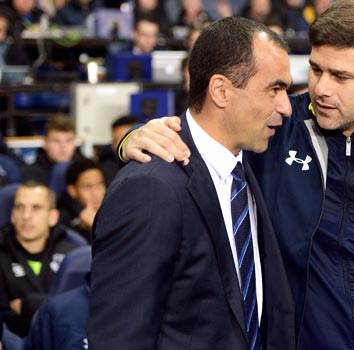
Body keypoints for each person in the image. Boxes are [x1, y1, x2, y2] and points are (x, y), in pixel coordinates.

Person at [119, 1, 354, 349]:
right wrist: (134, 138)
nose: (321, 88)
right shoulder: (274, 127)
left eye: (341, 77)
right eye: (316, 69)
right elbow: (206, 136)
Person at [87, 17, 295, 350]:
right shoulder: (149, 189)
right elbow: (119, 337)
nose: (286, 106)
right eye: (275, 89)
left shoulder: (253, 159)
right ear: (221, 91)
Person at [0, 182, 80, 337]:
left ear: (53, 217)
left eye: (36, 208)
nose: (26, 216)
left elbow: (80, 310)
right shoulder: (1, 252)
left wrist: (29, 304)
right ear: (12, 215)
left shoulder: (73, 255)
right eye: (19, 208)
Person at [20, 115, 84, 186]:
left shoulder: (87, 172)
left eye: (68, 141)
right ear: (45, 143)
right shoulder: (28, 175)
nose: (63, 147)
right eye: (56, 141)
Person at [57, 159, 106, 242]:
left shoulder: (115, 208)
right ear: (72, 190)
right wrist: (83, 227)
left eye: (99, 184)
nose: (95, 193)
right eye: (87, 187)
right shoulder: (62, 219)